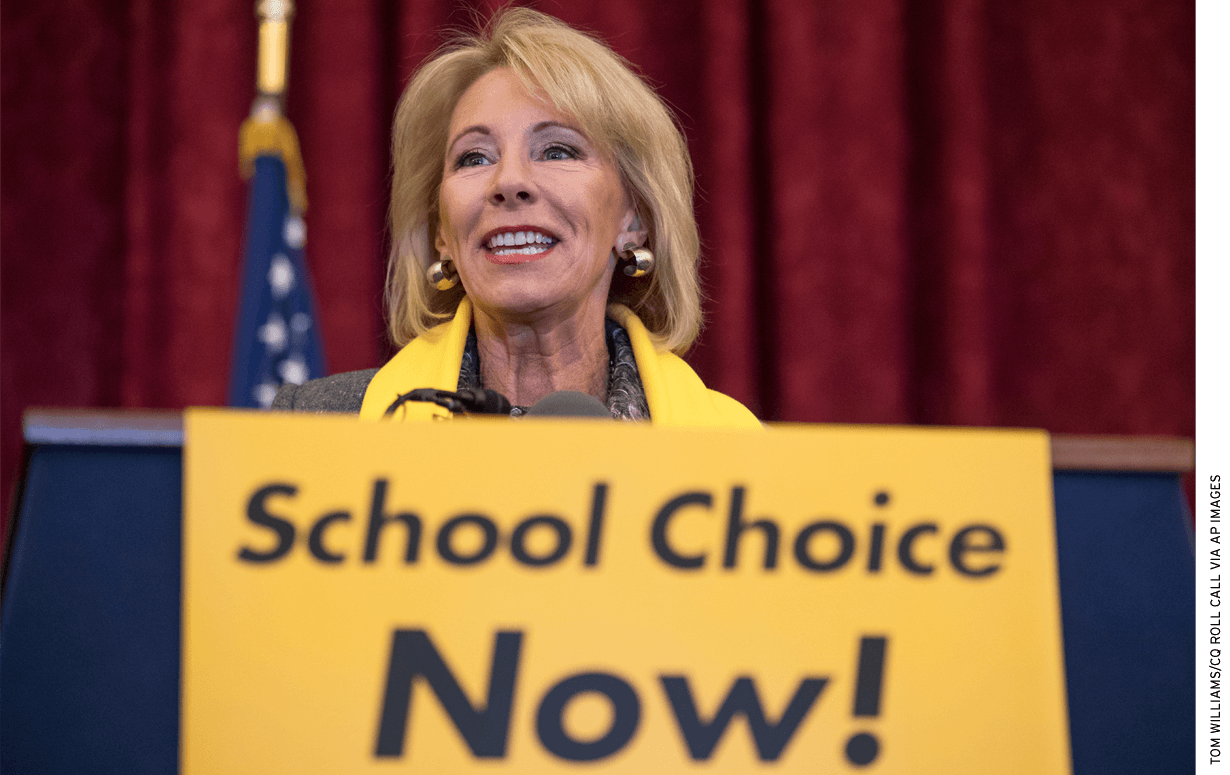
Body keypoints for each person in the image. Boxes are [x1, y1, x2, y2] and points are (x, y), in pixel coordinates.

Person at [273, 8, 759, 428]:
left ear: (633, 218)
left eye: (557, 150)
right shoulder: (319, 426)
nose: (508, 181)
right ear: (442, 232)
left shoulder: (738, 450)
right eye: (474, 158)